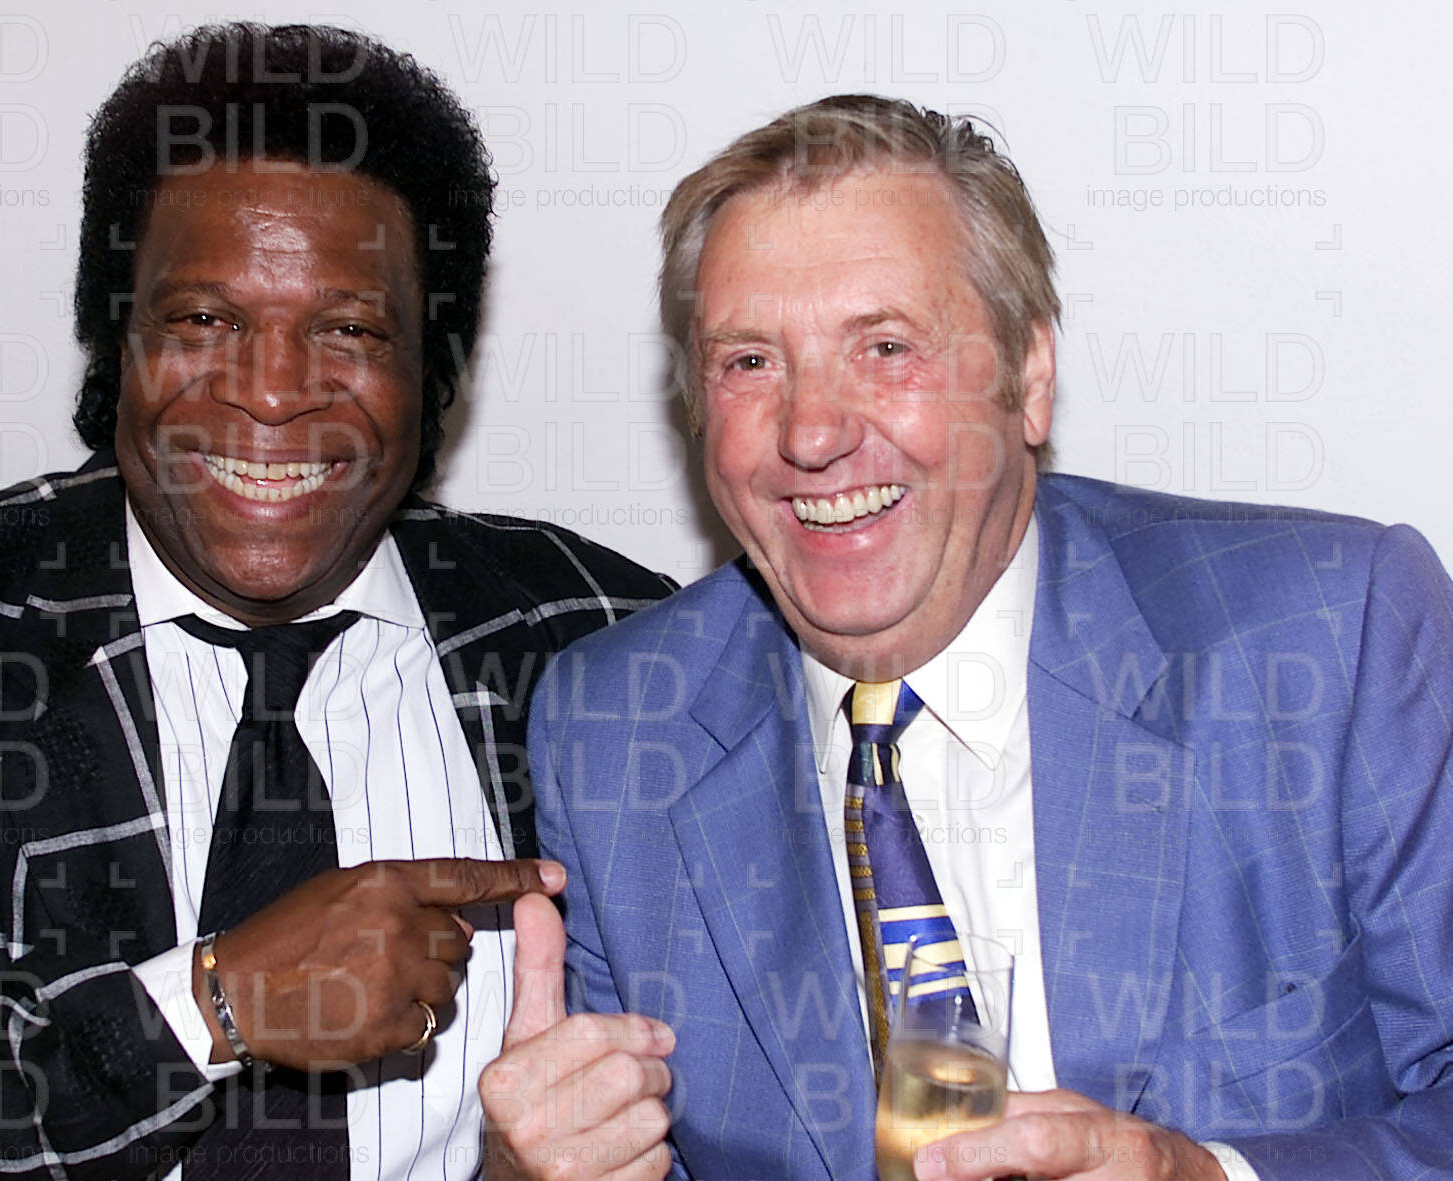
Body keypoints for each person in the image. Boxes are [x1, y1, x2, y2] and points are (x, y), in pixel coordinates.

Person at [0, 23, 673, 1180]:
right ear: (118, 336)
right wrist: (210, 1002)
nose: (270, 394)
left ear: (429, 367)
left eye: (349, 329)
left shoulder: (597, 637)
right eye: (205, 320)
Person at [479, 95, 1453, 1179]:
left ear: (1028, 377)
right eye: (748, 361)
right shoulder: (614, 727)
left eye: (885, 347)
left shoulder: (1331, 637)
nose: (812, 432)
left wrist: (1206, 1173)